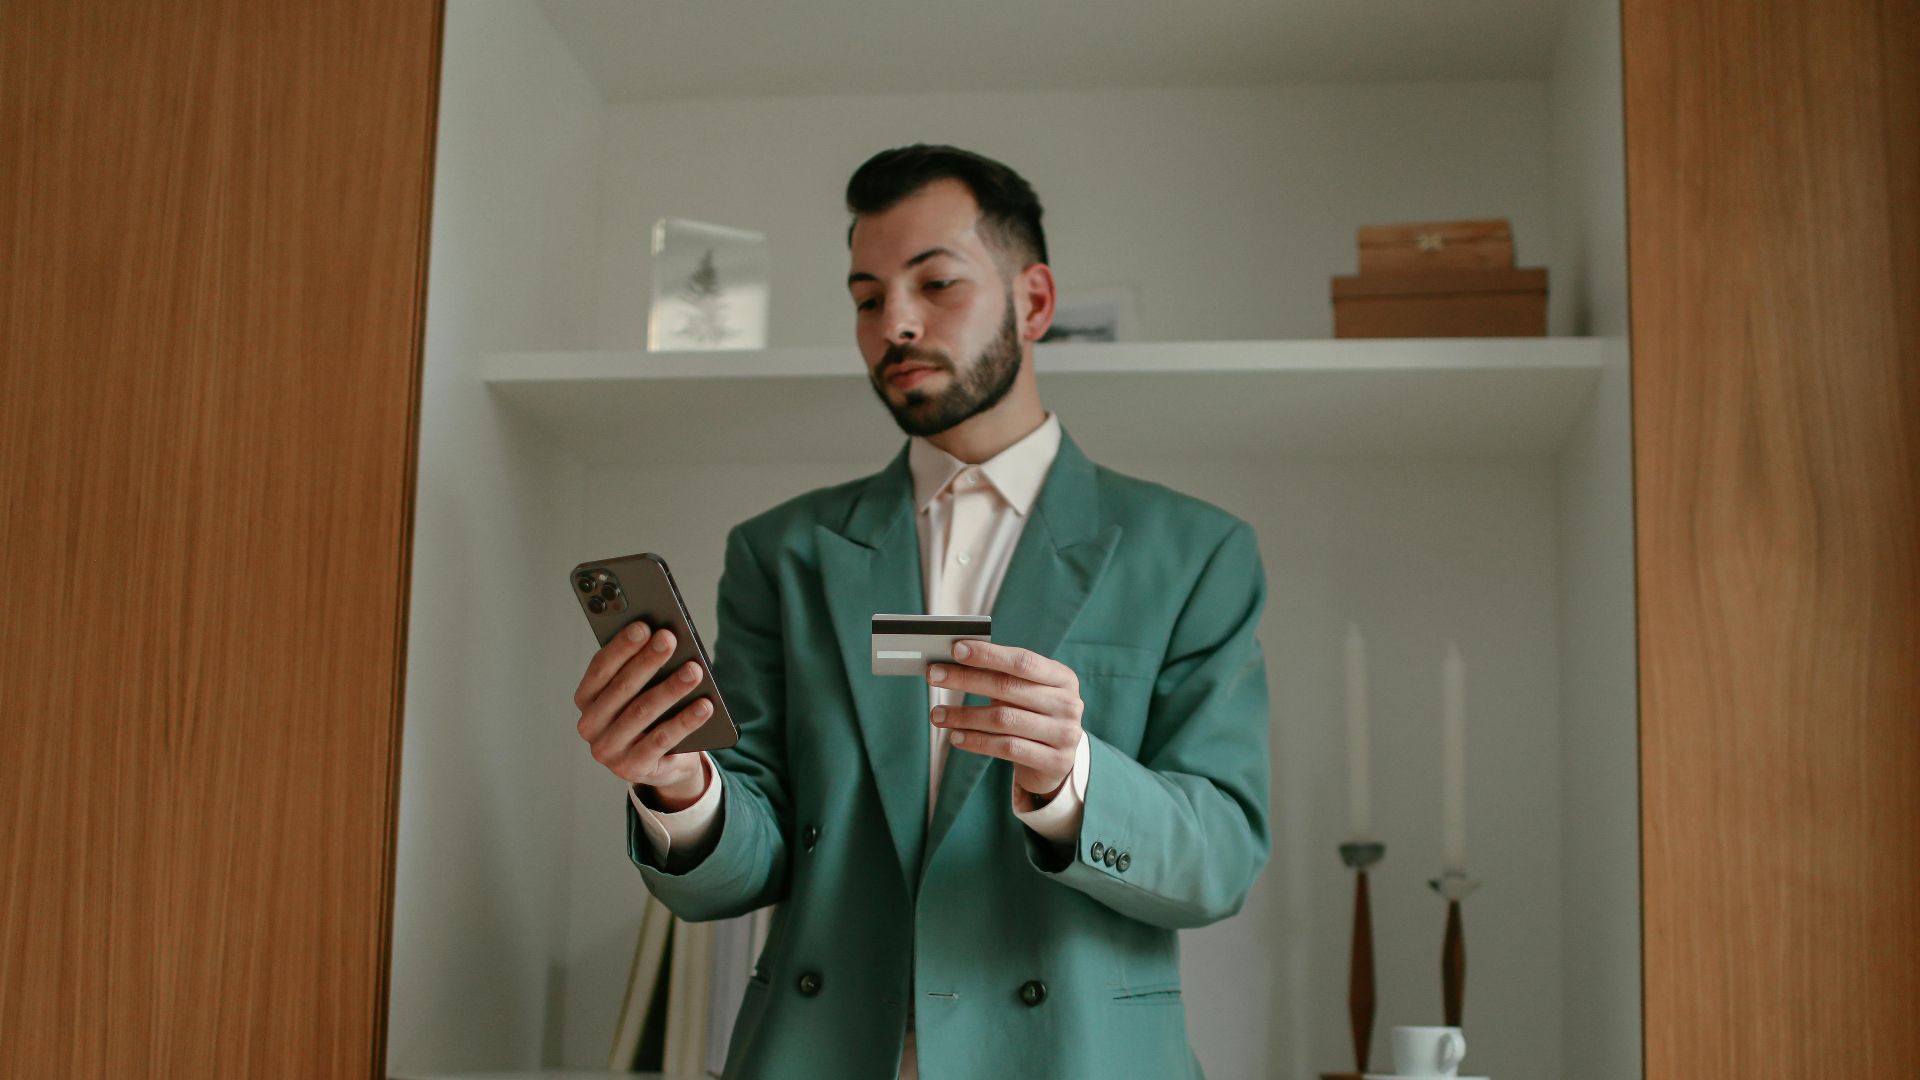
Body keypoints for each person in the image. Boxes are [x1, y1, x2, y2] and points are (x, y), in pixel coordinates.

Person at [572, 144, 1272, 1079]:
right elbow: (745, 863)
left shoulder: (1193, 552)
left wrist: (1074, 776)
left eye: (936, 284)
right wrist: (678, 786)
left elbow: (1221, 859)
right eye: (867, 299)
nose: (894, 324)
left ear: (1034, 302)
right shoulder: (781, 553)